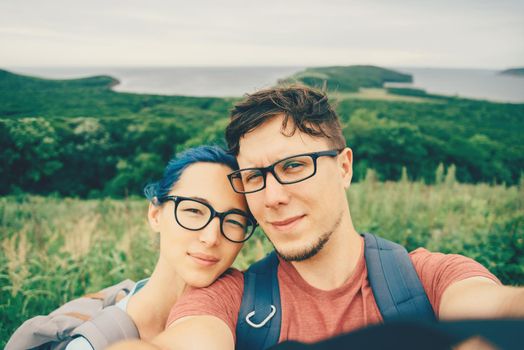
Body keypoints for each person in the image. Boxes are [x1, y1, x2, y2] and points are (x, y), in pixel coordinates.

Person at [109, 86, 524, 350]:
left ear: (344, 168)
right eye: (254, 177)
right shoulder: (230, 299)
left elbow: (498, 308)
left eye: (293, 167)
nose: (272, 197)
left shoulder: (427, 279)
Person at [6, 145, 256, 350]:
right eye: (193, 210)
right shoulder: (92, 343)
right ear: (155, 214)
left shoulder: (256, 318)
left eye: (234, 221)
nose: (211, 237)